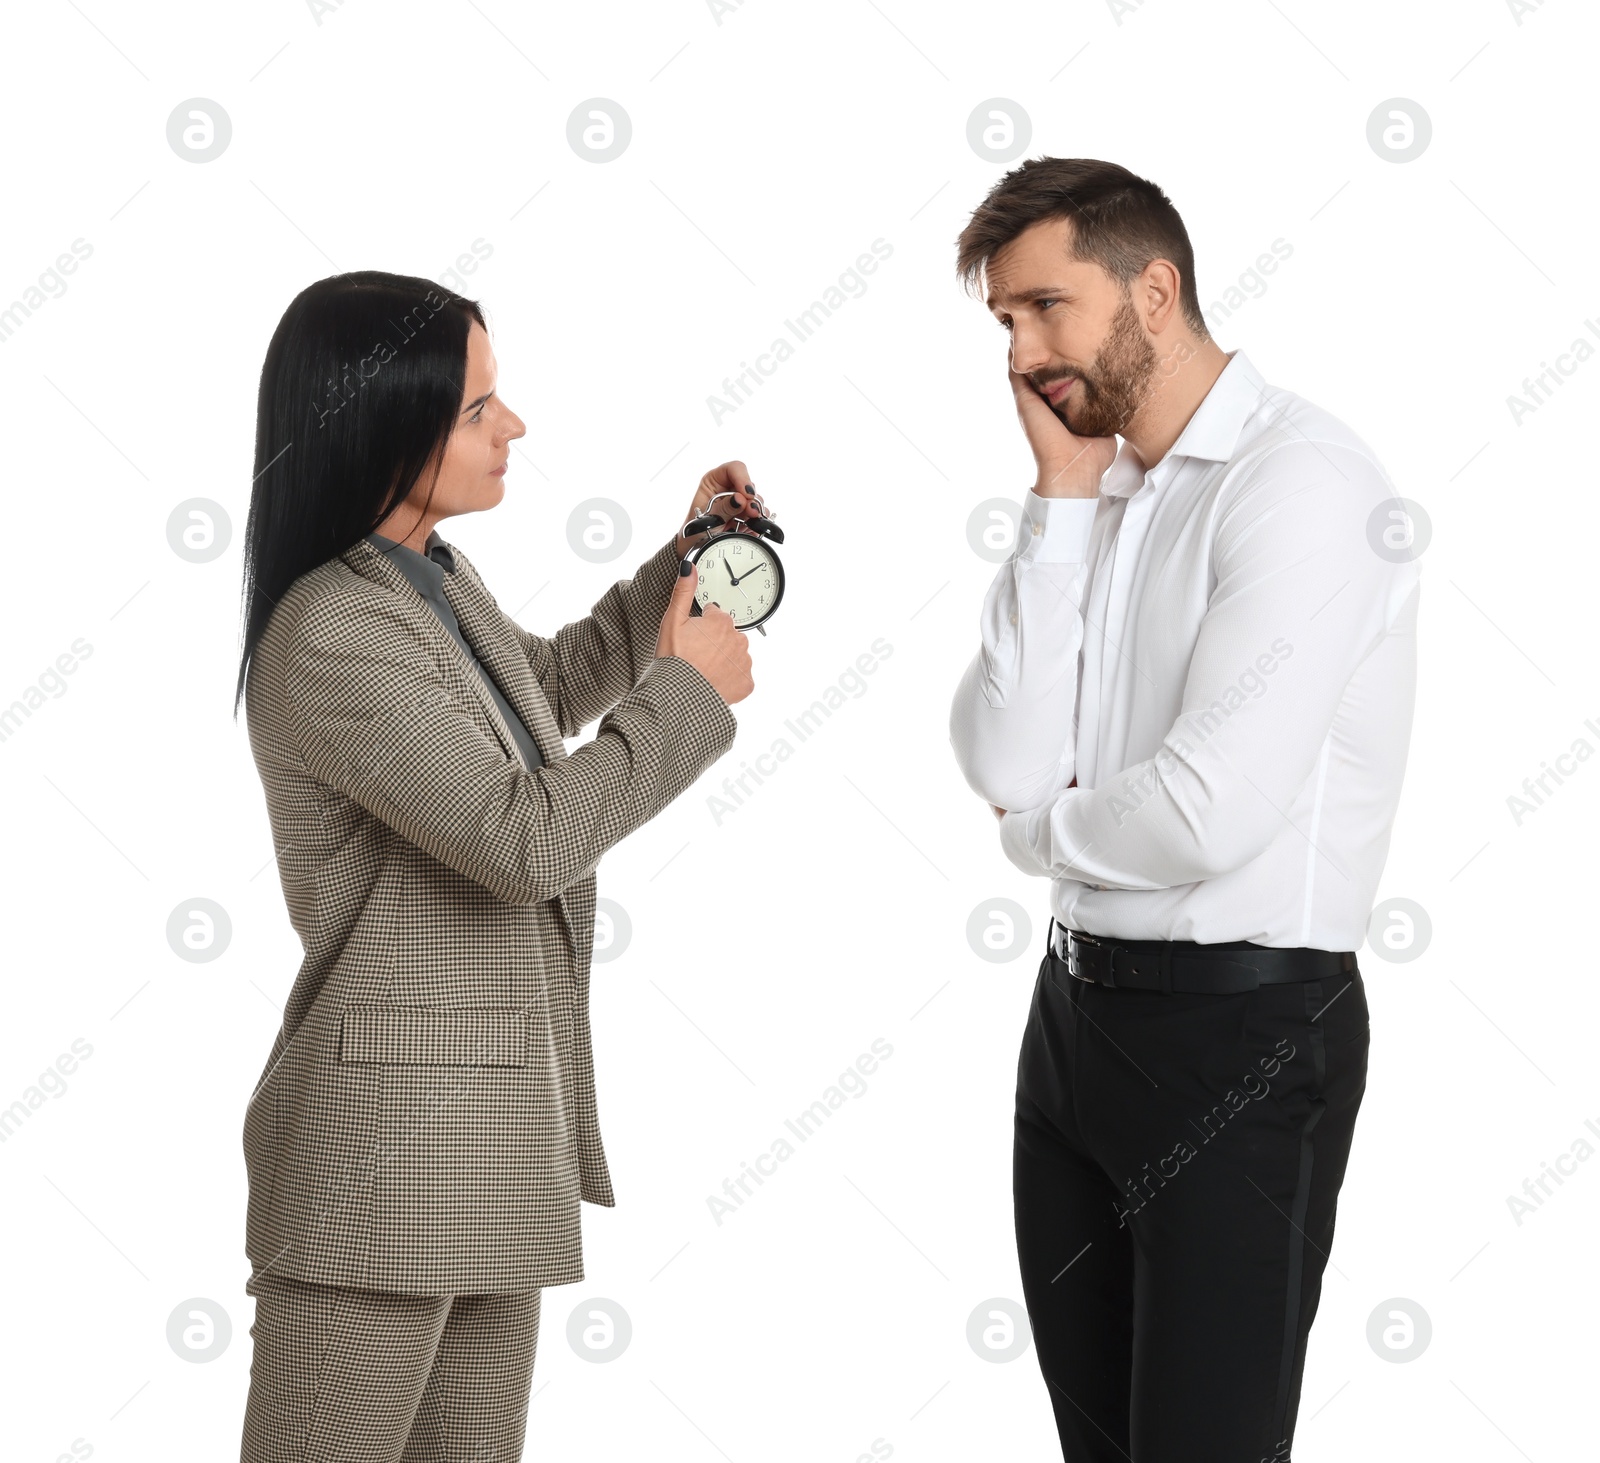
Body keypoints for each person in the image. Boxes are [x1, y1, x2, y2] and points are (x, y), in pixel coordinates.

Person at [232, 271, 756, 1461]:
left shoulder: (431, 583)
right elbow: (522, 837)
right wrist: (687, 697)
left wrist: (681, 562)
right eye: (477, 408)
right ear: (382, 421)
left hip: (492, 1147)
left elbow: (553, 689)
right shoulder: (332, 629)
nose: (510, 425)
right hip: (380, 1163)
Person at [947, 159, 1421, 1462]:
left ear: (1156, 291)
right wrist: (1053, 500)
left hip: (1242, 1034)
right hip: (1073, 1026)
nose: (1022, 351)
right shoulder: (1103, 492)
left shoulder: (1306, 484)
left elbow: (1210, 809)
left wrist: (1038, 835)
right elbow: (996, 746)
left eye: (1047, 307)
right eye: (1004, 323)